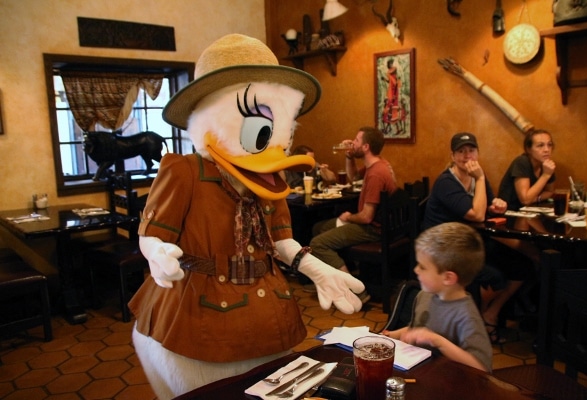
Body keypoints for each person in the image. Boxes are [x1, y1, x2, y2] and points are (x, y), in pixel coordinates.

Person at [128, 34, 365, 399]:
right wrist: (155, 252)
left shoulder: (268, 177)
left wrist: (314, 267)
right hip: (199, 312)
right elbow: (154, 232)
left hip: (266, 308)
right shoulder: (185, 171)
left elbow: (280, 240)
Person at [423, 132, 534, 344]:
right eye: (461, 152)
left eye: (471, 151)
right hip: (443, 249)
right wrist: (481, 178)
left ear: (477, 153)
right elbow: (476, 214)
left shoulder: (475, 179)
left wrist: (498, 205)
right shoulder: (447, 181)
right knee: (494, 277)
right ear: (453, 156)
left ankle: (489, 314)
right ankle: (475, 326)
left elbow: (488, 207)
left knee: (523, 266)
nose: (467, 156)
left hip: (469, 244)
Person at [382, 222, 493, 372]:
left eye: (422, 266)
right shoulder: (424, 295)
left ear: (448, 278)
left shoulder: (466, 316)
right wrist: (391, 335)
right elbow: (417, 330)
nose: (416, 270)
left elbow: (482, 368)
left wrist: (437, 341)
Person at [308, 126, 397, 300]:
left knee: (317, 244)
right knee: (319, 227)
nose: (352, 143)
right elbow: (353, 177)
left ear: (366, 147)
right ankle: (330, 279)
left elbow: (366, 217)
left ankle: (354, 290)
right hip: (380, 224)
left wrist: (348, 217)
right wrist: (349, 155)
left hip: (373, 229)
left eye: (356, 141)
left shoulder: (376, 174)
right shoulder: (378, 164)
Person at [498, 129, 556, 210]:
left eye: (549, 145)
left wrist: (535, 199)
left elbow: (550, 192)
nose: (546, 150)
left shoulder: (546, 164)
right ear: (528, 149)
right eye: (540, 145)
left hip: (530, 211)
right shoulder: (522, 162)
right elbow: (525, 200)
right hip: (510, 213)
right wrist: (546, 175)